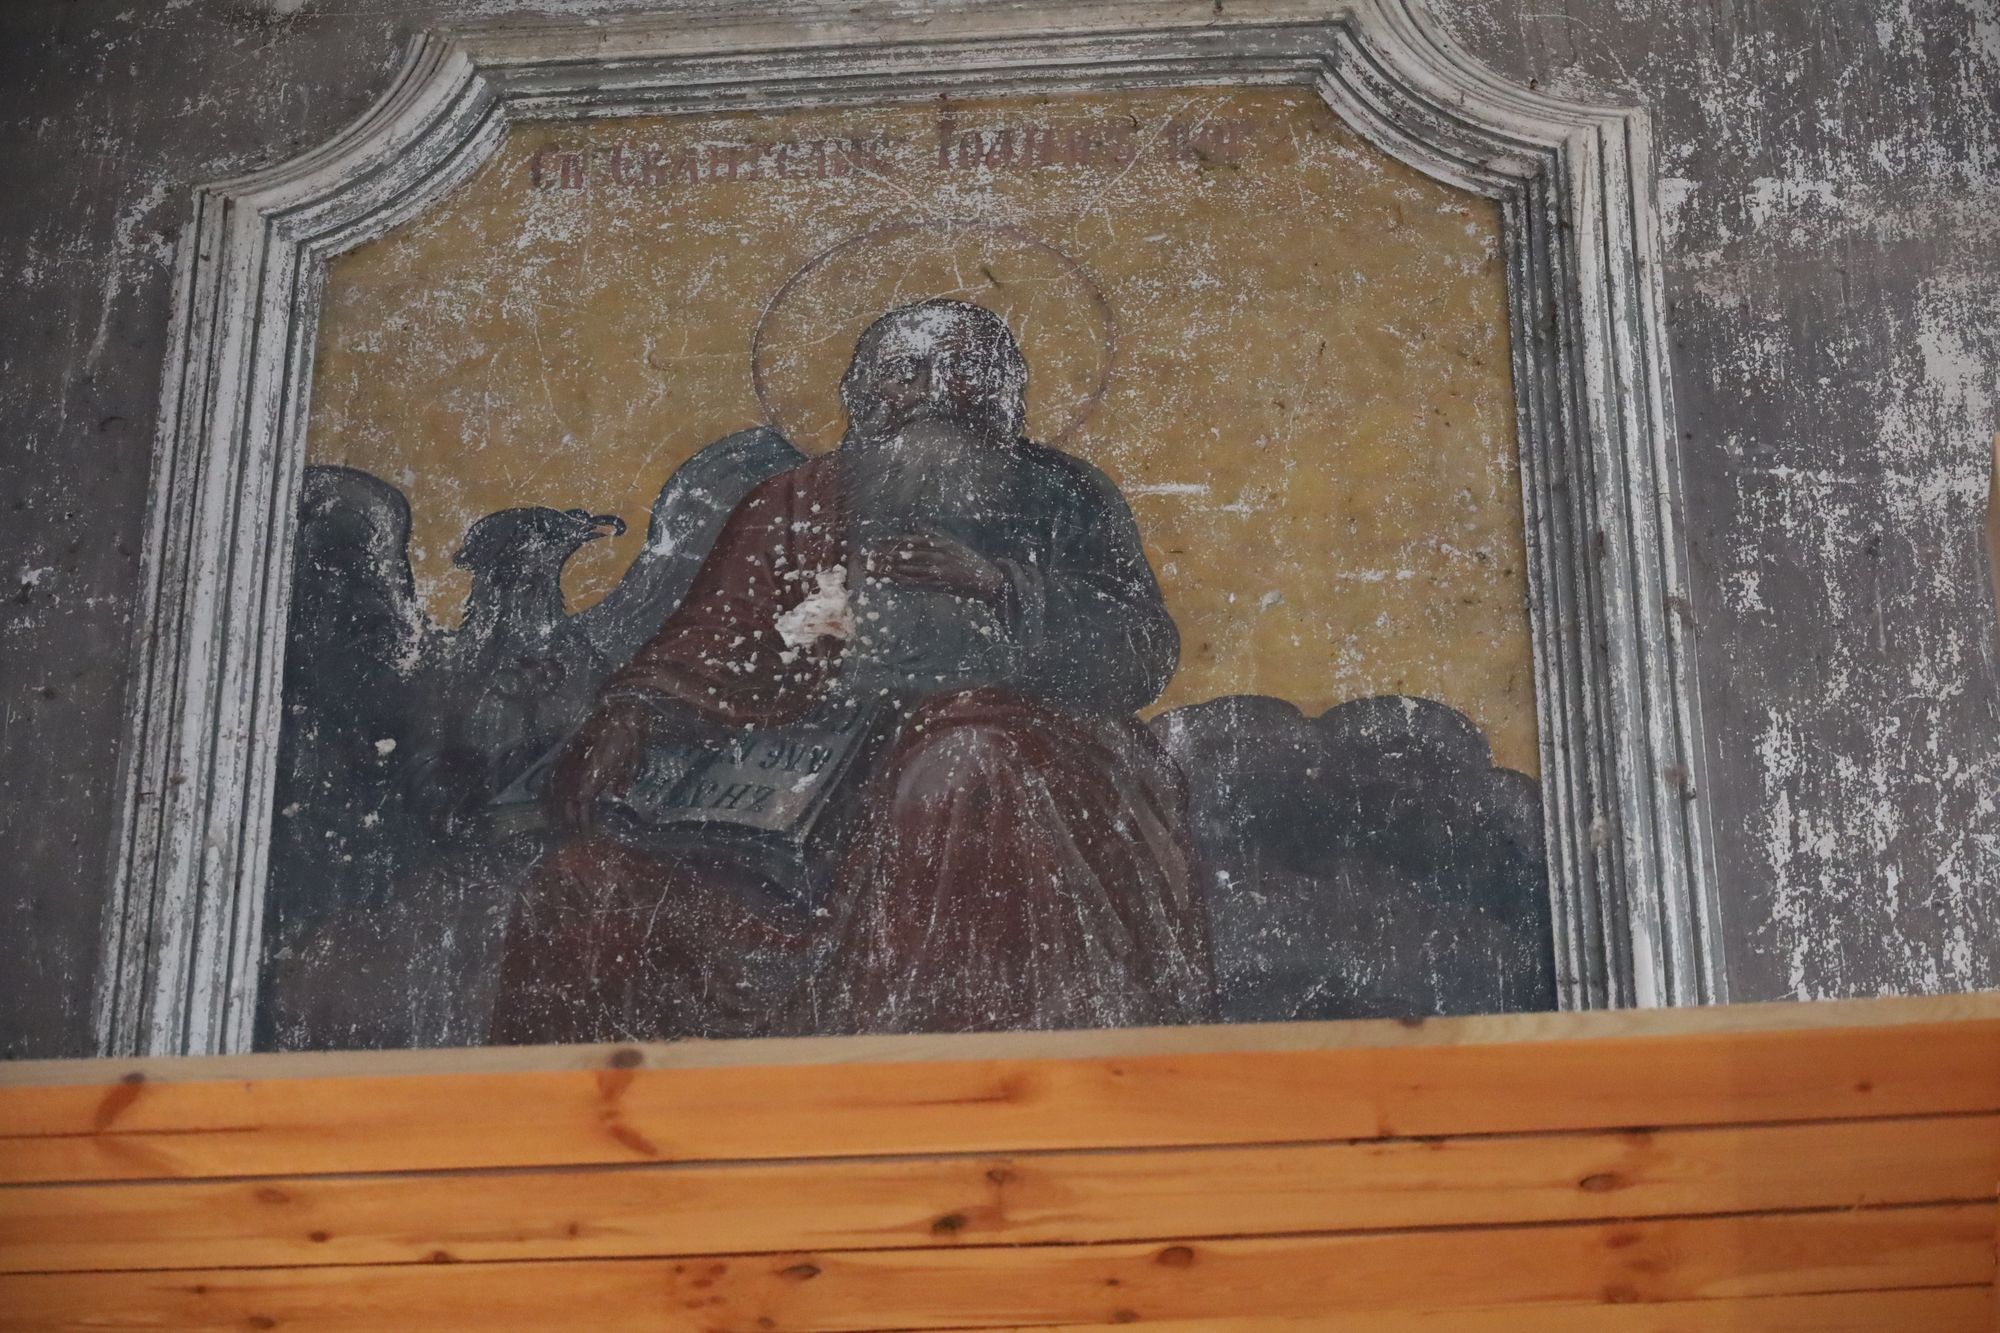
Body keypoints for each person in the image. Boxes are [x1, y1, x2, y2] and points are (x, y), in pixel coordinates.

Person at [489, 299, 1215, 1041]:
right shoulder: (794, 502)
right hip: (810, 782)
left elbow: (1140, 652)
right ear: (863, 392)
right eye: (906, 371)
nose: (935, 389)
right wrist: (633, 713)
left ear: (1004, 390)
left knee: (963, 767)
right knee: (583, 881)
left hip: (1018, 755)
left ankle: (972, 1064)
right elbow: (713, 642)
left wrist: (998, 583)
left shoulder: (1064, 495)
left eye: (964, 367)